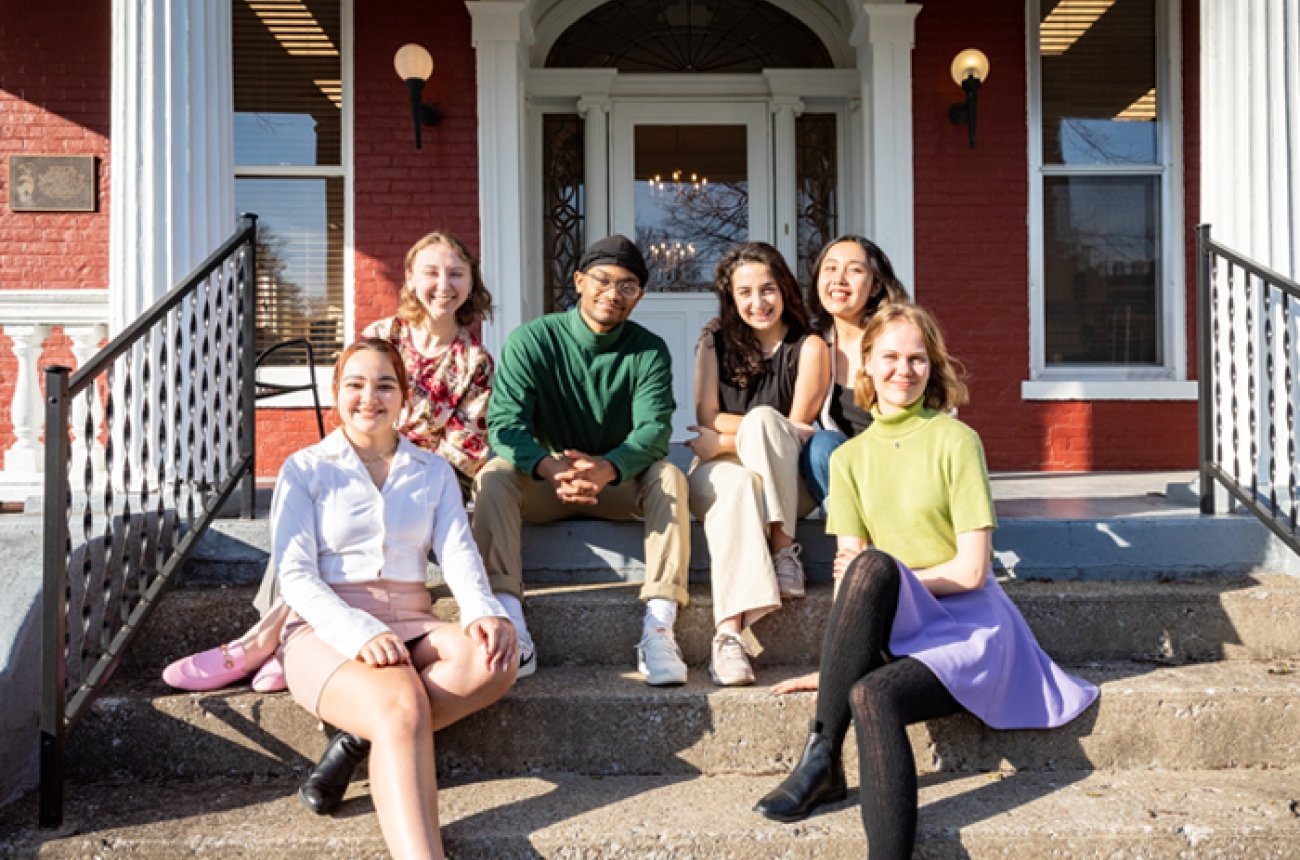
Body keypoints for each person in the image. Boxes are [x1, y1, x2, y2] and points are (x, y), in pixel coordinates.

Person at [754, 303, 1098, 858]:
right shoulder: (847, 461)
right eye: (890, 356)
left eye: (917, 359)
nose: (904, 370)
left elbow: (970, 570)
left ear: (932, 368)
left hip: (971, 631)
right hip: (903, 628)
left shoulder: (955, 442)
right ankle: (826, 763)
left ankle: (821, 754)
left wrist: (895, 580)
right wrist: (836, 669)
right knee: (865, 674)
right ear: (866, 364)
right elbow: (852, 583)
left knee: (873, 593)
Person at [161, 230, 496, 696]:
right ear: (411, 279)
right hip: (359, 462)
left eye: (456, 273)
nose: (444, 284)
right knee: (314, 515)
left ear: (470, 281)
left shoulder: (474, 360)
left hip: (430, 477)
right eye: (432, 273)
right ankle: (278, 638)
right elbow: (357, 402)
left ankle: (264, 643)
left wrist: (400, 456)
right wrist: (370, 451)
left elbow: (468, 442)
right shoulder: (381, 336)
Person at [274, 337, 516, 859]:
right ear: (336, 392)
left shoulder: (430, 471)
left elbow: (458, 554)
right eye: (355, 385)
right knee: (402, 704)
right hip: (325, 629)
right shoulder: (306, 469)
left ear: (404, 397)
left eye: (385, 385)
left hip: (411, 617)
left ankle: (357, 738)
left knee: (495, 660)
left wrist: (483, 612)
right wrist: (360, 632)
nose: (370, 397)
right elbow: (293, 575)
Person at [471, 234, 691, 685]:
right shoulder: (533, 340)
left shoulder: (647, 349)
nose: (613, 294)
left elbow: (654, 430)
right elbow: (505, 424)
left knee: (668, 475)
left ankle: (659, 627)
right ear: (578, 281)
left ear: (640, 296)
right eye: (602, 280)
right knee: (493, 476)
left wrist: (607, 467)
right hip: (545, 482)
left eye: (627, 286)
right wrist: (550, 466)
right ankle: (512, 625)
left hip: (614, 484)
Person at [685, 242, 828, 686]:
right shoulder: (714, 340)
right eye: (744, 292)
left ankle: (779, 554)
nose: (757, 302)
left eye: (767, 289)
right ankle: (729, 638)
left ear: (785, 288)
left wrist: (724, 441)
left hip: (786, 481)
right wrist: (748, 436)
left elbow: (796, 427)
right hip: (719, 476)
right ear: (731, 297)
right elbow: (703, 415)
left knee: (768, 423)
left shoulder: (811, 347)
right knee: (740, 483)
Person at [798, 235, 909, 506]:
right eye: (830, 268)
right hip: (844, 471)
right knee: (820, 447)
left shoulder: (897, 338)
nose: (839, 279)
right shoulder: (814, 344)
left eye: (855, 270)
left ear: (874, 287)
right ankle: (854, 539)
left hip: (897, 462)